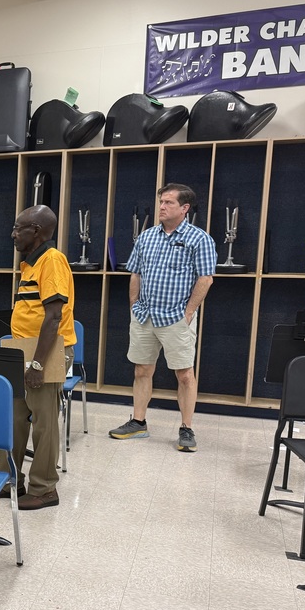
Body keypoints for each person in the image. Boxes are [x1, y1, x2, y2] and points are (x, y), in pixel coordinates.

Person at [109, 183, 216, 452]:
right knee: (142, 369)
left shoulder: (199, 239)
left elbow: (206, 278)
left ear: (184, 208)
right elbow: (135, 272)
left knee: (184, 375)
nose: (162, 206)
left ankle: (187, 429)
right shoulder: (146, 237)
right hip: (145, 315)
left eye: (168, 202)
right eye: (161, 202)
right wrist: (134, 305)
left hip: (176, 317)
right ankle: (138, 422)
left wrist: (189, 312)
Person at [0, 205, 76, 510]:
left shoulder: (52, 261)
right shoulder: (29, 264)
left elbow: (54, 317)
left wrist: (38, 364)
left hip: (47, 351)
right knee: (14, 416)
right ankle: (8, 480)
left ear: (37, 232)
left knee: (44, 421)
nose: (13, 234)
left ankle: (44, 488)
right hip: (22, 348)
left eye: (19, 228)